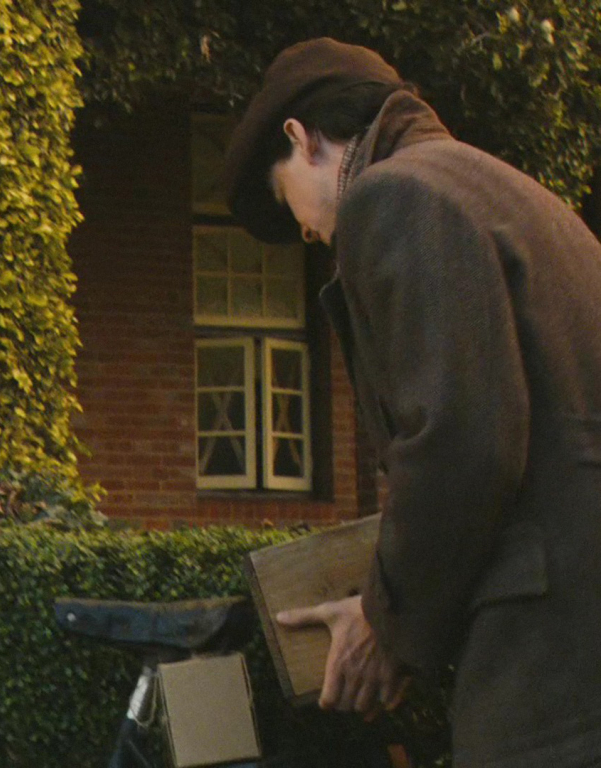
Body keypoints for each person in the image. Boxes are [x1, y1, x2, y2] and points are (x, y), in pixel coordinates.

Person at [222, 37, 601, 767]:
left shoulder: (395, 195)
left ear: (302, 139)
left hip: (549, 662)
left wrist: (385, 623)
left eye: (286, 198)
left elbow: (463, 443)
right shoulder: (504, 189)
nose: (305, 230)